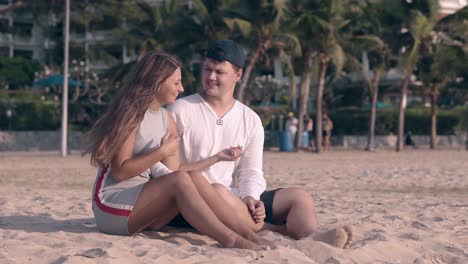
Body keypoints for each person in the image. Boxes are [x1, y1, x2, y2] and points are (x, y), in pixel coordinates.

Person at [168, 40, 353, 248]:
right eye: (207, 69)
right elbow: (169, 170)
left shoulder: (250, 119)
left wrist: (251, 197)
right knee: (218, 190)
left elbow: (251, 171)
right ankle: (272, 229)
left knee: (300, 197)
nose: (211, 77)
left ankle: (310, 236)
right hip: (193, 202)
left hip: (233, 199)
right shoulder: (180, 110)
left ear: (238, 75)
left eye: (219, 72)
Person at [83, 51, 271, 250]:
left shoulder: (167, 119)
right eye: (176, 83)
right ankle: (230, 239)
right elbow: (120, 172)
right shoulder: (131, 113)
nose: (181, 89)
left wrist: (216, 158)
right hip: (112, 204)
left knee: (193, 177)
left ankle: (248, 234)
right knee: (181, 179)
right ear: (157, 82)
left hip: (144, 204)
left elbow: (175, 170)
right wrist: (161, 152)